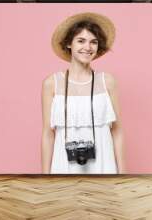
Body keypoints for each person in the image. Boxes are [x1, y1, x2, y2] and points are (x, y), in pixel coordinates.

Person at [41, 12, 125, 174]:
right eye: (81, 41)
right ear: (69, 44)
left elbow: (117, 130)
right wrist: (44, 175)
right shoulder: (51, 83)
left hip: (103, 162)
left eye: (93, 42)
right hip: (64, 163)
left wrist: (123, 172)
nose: (88, 47)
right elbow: (47, 133)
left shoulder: (107, 81)